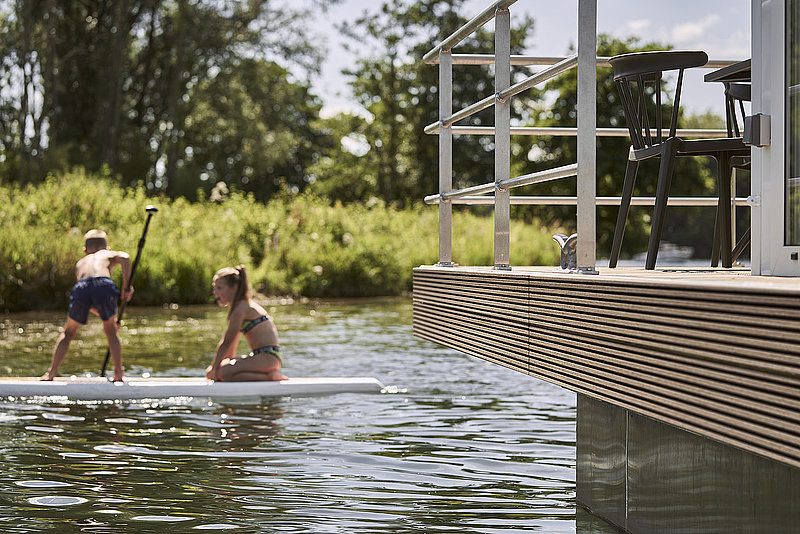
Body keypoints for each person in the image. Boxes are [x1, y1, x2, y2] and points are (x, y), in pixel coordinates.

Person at [42, 230, 133, 382]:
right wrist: (126, 287)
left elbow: (88, 300)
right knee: (111, 331)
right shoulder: (106, 254)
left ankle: (51, 373)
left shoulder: (80, 263)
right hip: (103, 284)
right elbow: (125, 257)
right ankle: (118, 374)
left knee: (68, 333)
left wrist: (106, 315)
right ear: (107, 248)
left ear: (85, 251)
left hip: (82, 287)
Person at [206, 265, 286, 381]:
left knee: (223, 372)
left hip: (268, 359)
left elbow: (226, 342)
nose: (214, 292)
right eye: (214, 288)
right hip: (264, 359)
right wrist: (217, 369)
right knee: (221, 372)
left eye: (219, 288)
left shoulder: (240, 309)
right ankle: (266, 376)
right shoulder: (240, 308)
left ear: (233, 288)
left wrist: (216, 369)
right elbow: (232, 343)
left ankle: (269, 377)